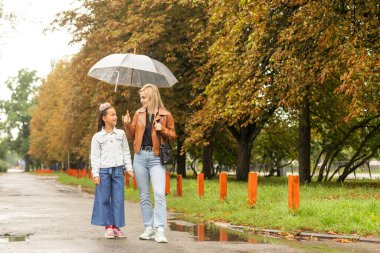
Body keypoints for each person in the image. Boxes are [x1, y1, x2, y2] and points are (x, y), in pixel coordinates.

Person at [123, 84, 176, 243]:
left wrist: (162, 129)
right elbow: (132, 136)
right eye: (140, 97)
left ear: (152, 97)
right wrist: (127, 124)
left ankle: (160, 229)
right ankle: (148, 227)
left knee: (159, 193)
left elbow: (173, 135)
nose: (141, 100)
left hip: (156, 156)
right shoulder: (138, 113)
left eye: (143, 97)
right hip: (139, 157)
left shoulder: (166, 114)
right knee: (144, 195)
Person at [90, 102, 134, 239]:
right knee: (104, 199)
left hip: (118, 171)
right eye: (112, 115)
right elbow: (95, 157)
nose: (115, 117)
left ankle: (116, 226)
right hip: (103, 172)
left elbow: (126, 152)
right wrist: (95, 174)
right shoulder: (97, 137)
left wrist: (129, 168)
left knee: (118, 199)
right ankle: (108, 227)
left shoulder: (121, 134)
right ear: (104, 118)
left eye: (115, 115)